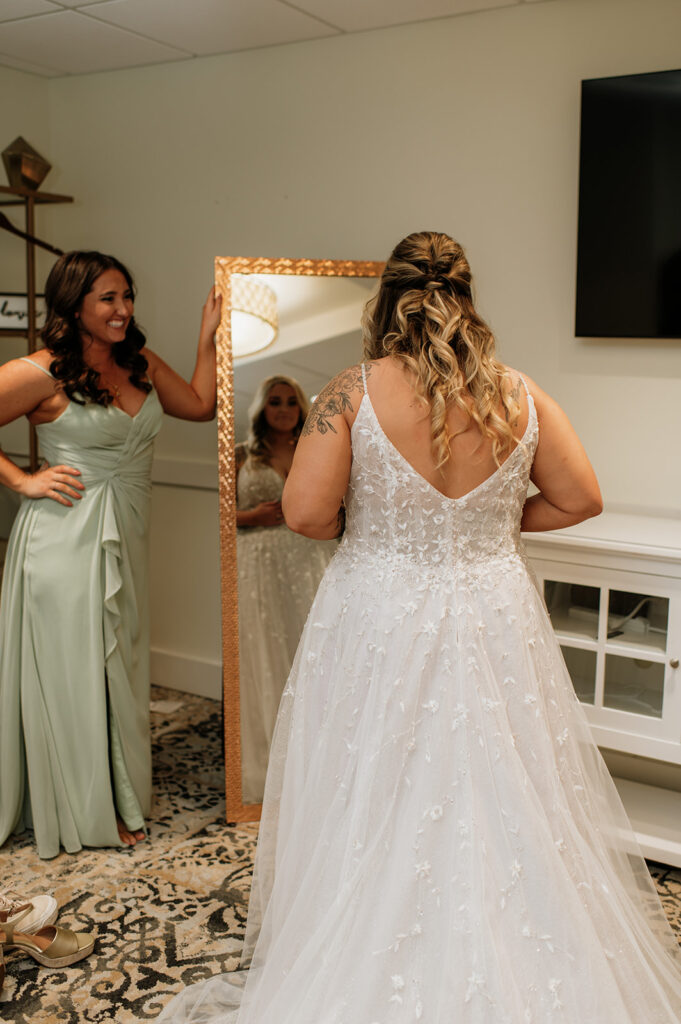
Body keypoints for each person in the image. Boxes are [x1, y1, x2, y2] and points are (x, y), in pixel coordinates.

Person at [156, 232, 681, 1023]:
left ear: (385, 300)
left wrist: (390, 525)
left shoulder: (350, 393)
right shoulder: (521, 394)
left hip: (380, 609)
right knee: (502, 783)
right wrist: (486, 527)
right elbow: (580, 499)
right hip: (491, 607)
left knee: (374, 779)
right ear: (466, 298)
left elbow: (302, 514)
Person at [0, 250, 221, 860]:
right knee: (78, 670)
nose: (124, 310)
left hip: (126, 532)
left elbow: (200, 406)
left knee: (116, 667)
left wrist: (207, 340)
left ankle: (117, 790)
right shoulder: (39, 374)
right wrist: (22, 482)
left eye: (128, 297)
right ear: (74, 307)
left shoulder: (140, 363)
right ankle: (88, 804)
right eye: (108, 299)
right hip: (62, 541)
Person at [235, 376, 337, 804]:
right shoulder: (242, 454)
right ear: (261, 408)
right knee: (266, 652)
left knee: (312, 650)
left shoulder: (317, 449)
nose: (282, 409)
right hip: (258, 563)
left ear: (300, 409)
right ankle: (270, 758)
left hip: (308, 559)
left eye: (290, 402)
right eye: (274, 401)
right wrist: (250, 517)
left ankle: (320, 760)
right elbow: (218, 513)